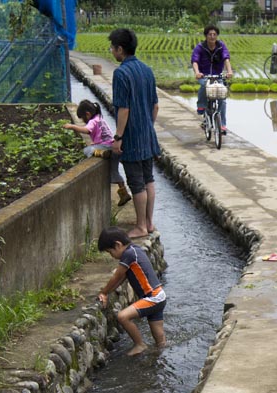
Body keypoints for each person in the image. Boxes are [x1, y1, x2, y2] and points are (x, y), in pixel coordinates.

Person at [109, 28, 160, 239]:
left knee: (136, 183)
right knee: (149, 179)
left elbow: (124, 109)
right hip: (148, 134)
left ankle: (139, 226)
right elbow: (155, 106)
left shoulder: (121, 73)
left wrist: (118, 137)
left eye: (112, 47)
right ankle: (149, 223)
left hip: (132, 137)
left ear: (120, 49)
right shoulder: (147, 70)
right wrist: (147, 125)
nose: (112, 51)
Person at [97, 227, 167, 356]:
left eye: (109, 251)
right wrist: (107, 292)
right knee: (159, 340)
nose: (111, 256)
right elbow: (122, 278)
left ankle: (140, 344)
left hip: (152, 298)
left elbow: (117, 277)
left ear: (118, 245)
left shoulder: (128, 254)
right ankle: (159, 357)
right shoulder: (136, 250)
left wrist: (104, 292)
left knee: (123, 317)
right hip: (159, 296)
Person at [62, 100, 132, 207]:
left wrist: (72, 126)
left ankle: (101, 153)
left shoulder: (92, 121)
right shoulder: (100, 118)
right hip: (113, 146)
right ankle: (124, 193)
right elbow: (102, 135)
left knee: (87, 150)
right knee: (114, 171)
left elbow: (86, 130)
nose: (83, 121)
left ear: (87, 114)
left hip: (105, 147)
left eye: (82, 118)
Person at [191, 25, 233, 134]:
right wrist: (197, 73)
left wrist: (229, 71)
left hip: (217, 75)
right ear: (206, 36)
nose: (212, 36)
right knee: (205, 85)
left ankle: (222, 124)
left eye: (214, 34)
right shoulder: (200, 47)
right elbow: (195, 61)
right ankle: (201, 105)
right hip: (204, 75)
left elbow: (226, 59)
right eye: (210, 34)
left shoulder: (221, 46)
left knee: (222, 99)